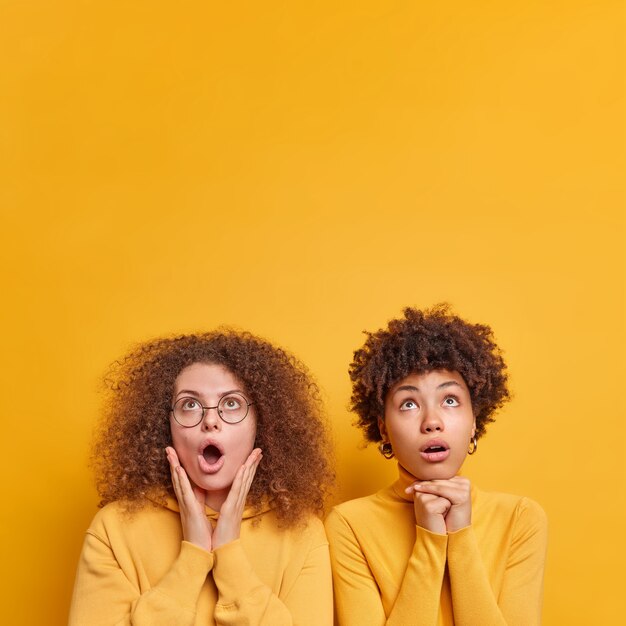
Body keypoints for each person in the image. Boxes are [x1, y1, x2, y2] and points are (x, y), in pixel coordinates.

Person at [69, 330, 334, 626]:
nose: (210, 420)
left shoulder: (304, 533)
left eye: (231, 403)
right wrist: (192, 559)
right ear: (163, 424)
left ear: (262, 423)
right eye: (190, 404)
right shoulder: (113, 530)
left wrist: (229, 554)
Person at [325, 305, 547, 626]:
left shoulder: (521, 519)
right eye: (409, 404)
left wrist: (460, 535)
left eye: (450, 400)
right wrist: (430, 540)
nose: (432, 422)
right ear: (384, 428)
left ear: (474, 421)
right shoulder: (348, 526)